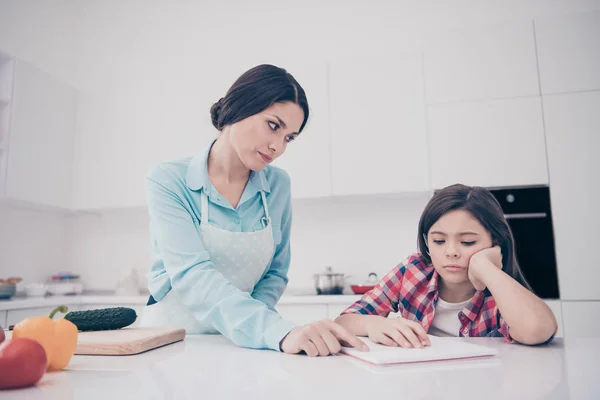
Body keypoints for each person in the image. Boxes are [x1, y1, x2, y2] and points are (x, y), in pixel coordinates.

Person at [139, 64, 366, 356]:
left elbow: (275, 273)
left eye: (289, 138)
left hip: (246, 341)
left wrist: (256, 330)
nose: (278, 147)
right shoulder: (169, 179)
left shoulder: (278, 185)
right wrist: (277, 331)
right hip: (173, 343)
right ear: (240, 107)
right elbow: (193, 275)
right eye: (274, 126)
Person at [335, 184, 557, 346]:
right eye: (439, 241)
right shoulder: (413, 271)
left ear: (494, 242)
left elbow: (538, 331)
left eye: (467, 242)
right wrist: (372, 324)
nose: (451, 252)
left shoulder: (499, 292)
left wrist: (485, 267)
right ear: (427, 242)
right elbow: (343, 322)